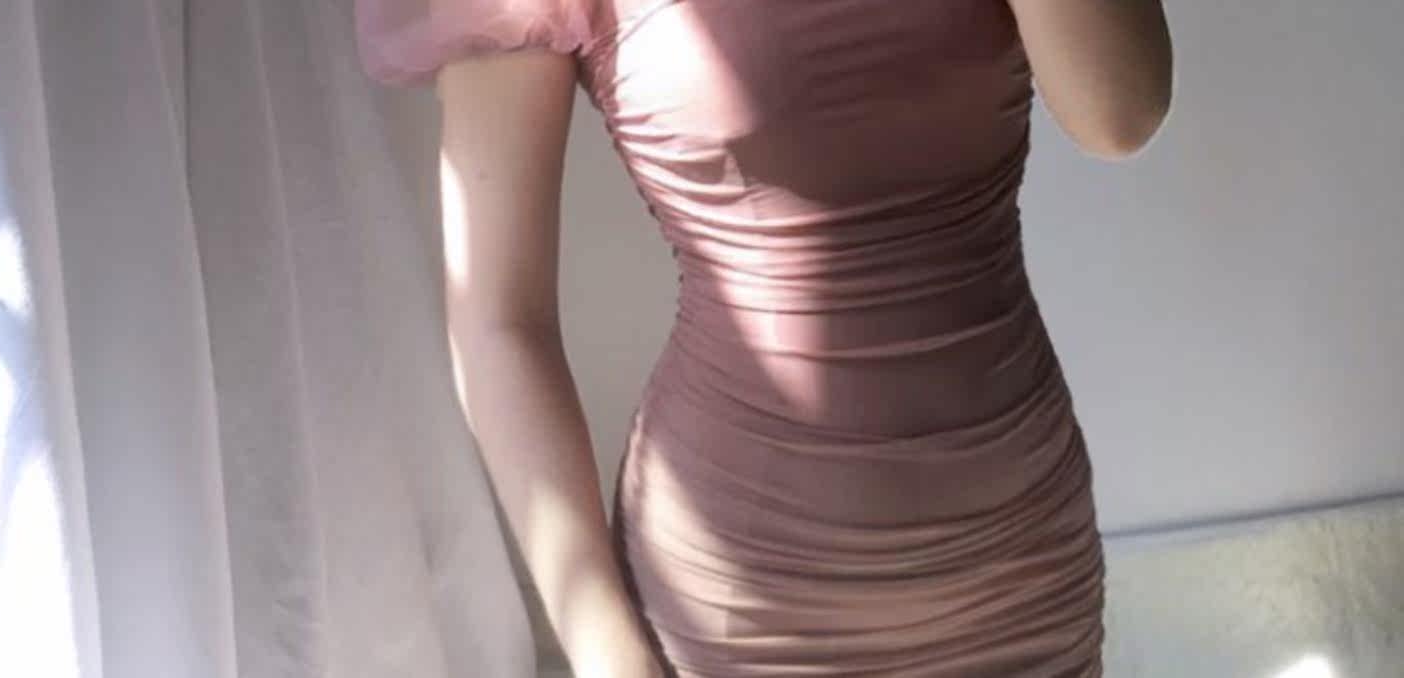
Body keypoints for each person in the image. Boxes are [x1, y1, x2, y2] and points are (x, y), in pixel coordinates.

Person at [354, 1, 1172, 676]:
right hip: (747, 604)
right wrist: (607, 653)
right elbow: (500, 320)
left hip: (1021, 567)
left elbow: (1119, 113)